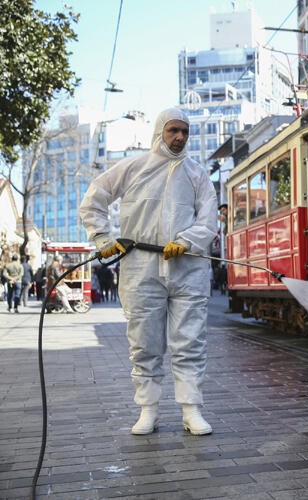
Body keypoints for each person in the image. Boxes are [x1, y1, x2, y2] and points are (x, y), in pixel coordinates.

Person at [79, 107, 218, 435]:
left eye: (184, 131)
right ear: (160, 132)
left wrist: (187, 240)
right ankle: (148, 410)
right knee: (144, 342)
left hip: (189, 268)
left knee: (190, 340)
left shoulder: (197, 175)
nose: (179, 137)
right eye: (173, 130)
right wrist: (103, 237)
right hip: (141, 267)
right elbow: (93, 200)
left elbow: (208, 221)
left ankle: (191, 410)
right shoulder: (132, 168)